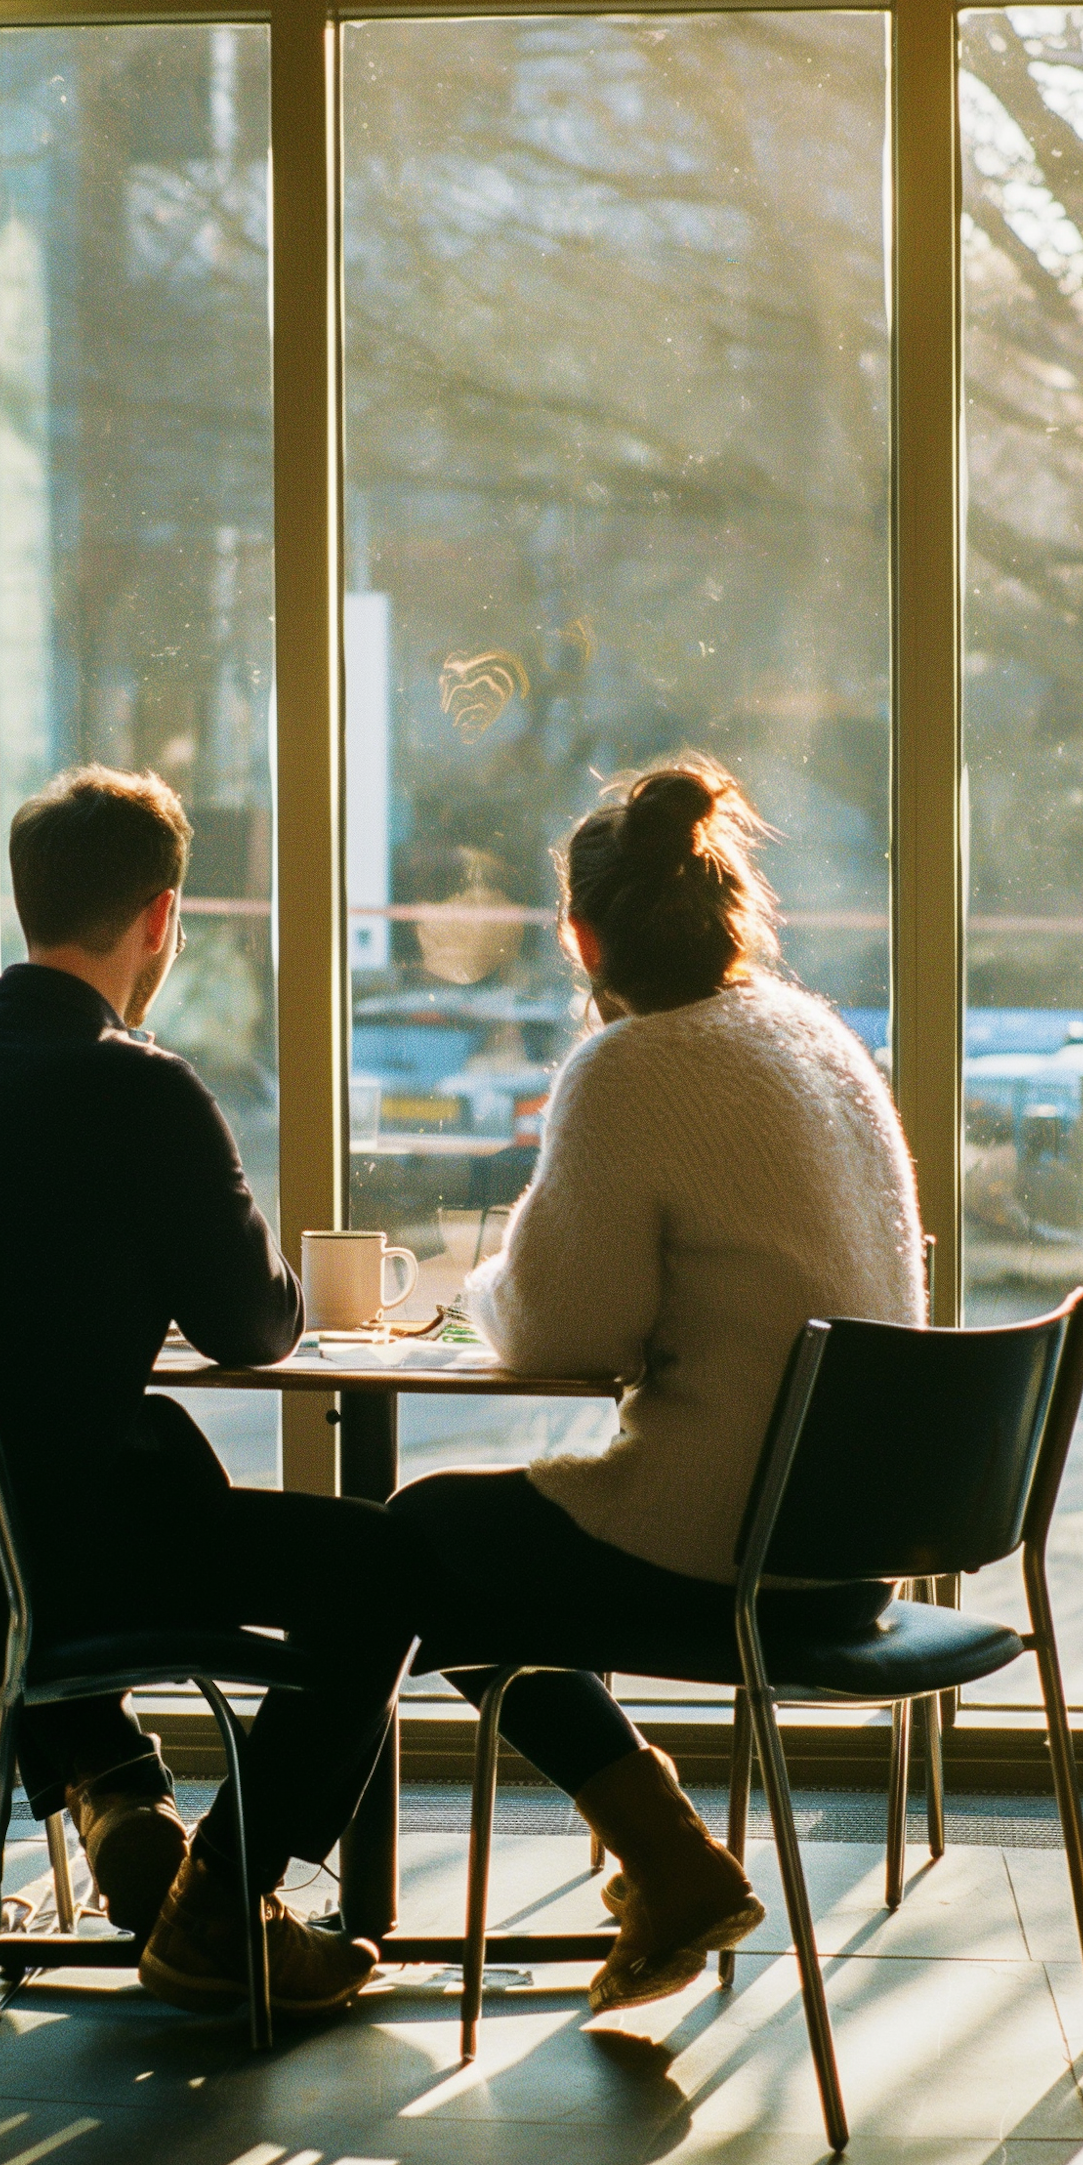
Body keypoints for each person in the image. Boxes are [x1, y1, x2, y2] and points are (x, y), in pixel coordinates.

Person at [0, 764, 417, 2019]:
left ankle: (117, 1788)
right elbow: (252, 1329)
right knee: (385, 1569)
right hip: (42, 1554)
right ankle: (223, 1904)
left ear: (25, 903)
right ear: (161, 918)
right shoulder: (141, 1087)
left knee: (64, 1480)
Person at [390, 759, 925, 2013]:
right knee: (471, 1552)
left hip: (733, 1538)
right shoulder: (817, 1037)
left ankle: (669, 1853)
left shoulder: (629, 1070)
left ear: (581, 935)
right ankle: (664, 1853)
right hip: (867, 1538)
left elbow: (561, 1329)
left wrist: (477, 1289)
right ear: (730, 900)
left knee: (425, 1538)